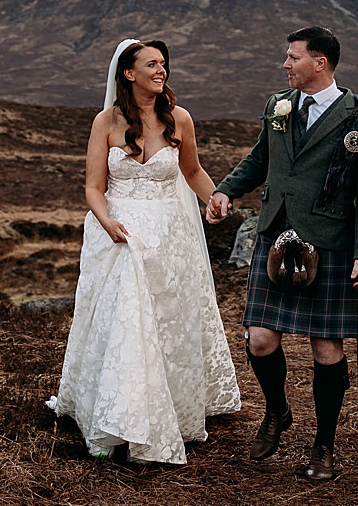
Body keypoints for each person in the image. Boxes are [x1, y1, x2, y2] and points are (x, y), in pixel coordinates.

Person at [206, 26, 358, 484]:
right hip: (275, 237)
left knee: (326, 349)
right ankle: (278, 411)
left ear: (319, 63)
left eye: (293, 58)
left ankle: (323, 446)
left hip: (330, 246)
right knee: (259, 339)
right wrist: (225, 191)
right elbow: (259, 159)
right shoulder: (278, 106)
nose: (285, 65)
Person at [50, 38, 242, 464]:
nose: (162, 71)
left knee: (167, 320)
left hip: (170, 236)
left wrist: (217, 199)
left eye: (164, 64)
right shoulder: (106, 122)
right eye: (152, 64)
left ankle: (168, 407)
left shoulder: (180, 119)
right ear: (128, 73)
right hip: (121, 233)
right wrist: (107, 222)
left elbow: (192, 170)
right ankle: (117, 419)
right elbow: (93, 186)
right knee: (124, 320)